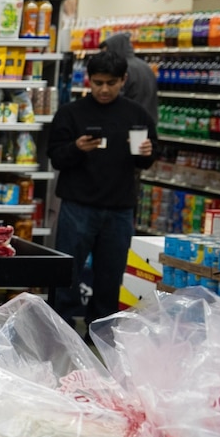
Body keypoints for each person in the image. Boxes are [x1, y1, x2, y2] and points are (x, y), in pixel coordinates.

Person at [47, 49, 157, 327]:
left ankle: (102, 331)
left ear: (124, 79)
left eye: (111, 83)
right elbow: (56, 157)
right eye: (98, 83)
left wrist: (147, 152)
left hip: (119, 208)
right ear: (88, 80)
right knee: (66, 273)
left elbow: (149, 158)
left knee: (111, 276)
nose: (104, 89)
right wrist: (76, 148)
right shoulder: (71, 113)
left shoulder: (137, 114)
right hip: (77, 206)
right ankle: (62, 329)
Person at [102, 32, 159, 118]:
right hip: (148, 119)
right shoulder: (145, 65)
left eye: (106, 51)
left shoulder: (122, 68)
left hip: (130, 121)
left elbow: (116, 98)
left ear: (114, 49)